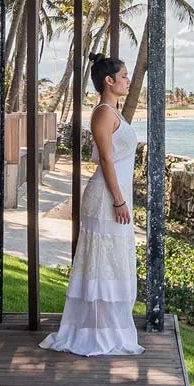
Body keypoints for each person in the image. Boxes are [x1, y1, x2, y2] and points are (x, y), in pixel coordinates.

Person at [41, 53, 145, 356]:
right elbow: (106, 160)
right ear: (109, 81)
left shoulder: (115, 112)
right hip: (106, 197)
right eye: (123, 76)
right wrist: (119, 200)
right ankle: (97, 332)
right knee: (101, 263)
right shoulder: (102, 113)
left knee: (113, 263)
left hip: (114, 194)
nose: (128, 81)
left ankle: (109, 329)